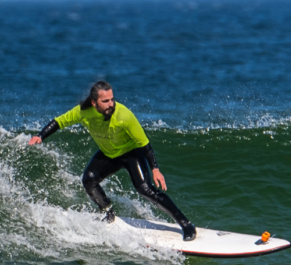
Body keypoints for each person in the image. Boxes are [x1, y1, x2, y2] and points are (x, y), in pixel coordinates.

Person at [29, 81, 197, 241]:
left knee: (146, 189)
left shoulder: (123, 115)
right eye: (106, 101)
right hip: (109, 153)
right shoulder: (83, 112)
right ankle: (107, 212)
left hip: (132, 154)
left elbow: (144, 143)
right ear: (94, 103)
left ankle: (186, 224)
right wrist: (40, 136)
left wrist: (155, 169)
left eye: (112, 99)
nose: (111, 104)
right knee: (89, 180)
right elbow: (60, 121)